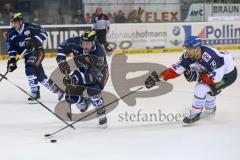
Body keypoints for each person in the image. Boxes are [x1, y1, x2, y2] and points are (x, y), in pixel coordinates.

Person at [145, 36, 237, 124]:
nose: (187, 51)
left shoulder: (212, 58)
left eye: (189, 49)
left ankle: (195, 114)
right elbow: (176, 69)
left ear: (197, 49)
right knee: (209, 90)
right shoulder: (189, 56)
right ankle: (210, 111)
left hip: (227, 76)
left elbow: (216, 79)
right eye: (186, 48)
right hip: (215, 74)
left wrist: (197, 77)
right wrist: (158, 78)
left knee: (201, 88)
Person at [6, 12, 64, 103]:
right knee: (40, 76)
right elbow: (11, 49)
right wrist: (12, 60)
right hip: (27, 55)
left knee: (29, 68)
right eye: (13, 22)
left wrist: (34, 41)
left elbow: (44, 33)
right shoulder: (11, 34)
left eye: (15, 22)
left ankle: (35, 92)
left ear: (21, 22)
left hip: (37, 52)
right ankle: (58, 91)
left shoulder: (30, 27)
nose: (14, 24)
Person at [56, 30, 109, 127]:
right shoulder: (76, 42)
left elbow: (90, 77)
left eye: (88, 44)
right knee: (70, 97)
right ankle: (84, 102)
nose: (85, 46)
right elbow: (62, 46)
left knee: (92, 91)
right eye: (83, 43)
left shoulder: (99, 53)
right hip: (81, 70)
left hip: (99, 74)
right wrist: (61, 61)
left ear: (93, 43)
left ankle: (101, 112)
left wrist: (74, 78)